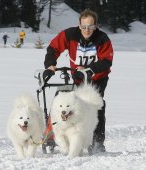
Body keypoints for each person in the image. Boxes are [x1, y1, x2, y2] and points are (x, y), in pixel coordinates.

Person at [44, 9, 114, 155]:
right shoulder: (69, 34)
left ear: (96, 26)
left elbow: (106, 61)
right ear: (79, 24)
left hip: (98, 78)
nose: (87, 30)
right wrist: (50, 64)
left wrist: (89, 69)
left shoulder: (102, 38)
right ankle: (55, 136)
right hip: (78, 77)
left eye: (91, 27)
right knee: (65, 103)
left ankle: (97, 141)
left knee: (95, 105)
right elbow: (53, 48)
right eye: (83, 26)